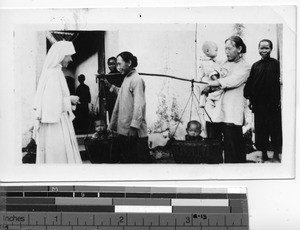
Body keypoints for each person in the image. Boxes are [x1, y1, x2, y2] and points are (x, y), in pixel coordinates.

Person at [203, 36, 251, 163]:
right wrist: (210, 81)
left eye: (229, 48)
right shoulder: (223, 63)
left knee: (233, 145)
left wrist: (212, 84)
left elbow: (232, 81)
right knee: (214, 143)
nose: (226, 52)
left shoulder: (245, 67)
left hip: (232, 109)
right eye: (225, 49)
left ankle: (235, 171)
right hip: (217, 110)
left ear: (239, 48)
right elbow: (213, 74)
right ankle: (215, 171)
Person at [33, 41, 82, 164]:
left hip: (56, 119)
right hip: (56, 122)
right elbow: (51, 102)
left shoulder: (54, 71)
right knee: (58, 154)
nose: (70, 59)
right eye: (68, 55)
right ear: (60, 55)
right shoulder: (54, 73)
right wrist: (70, 99)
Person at [108, 51, 152, 163]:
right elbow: (123, 95)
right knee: (128, 161)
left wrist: (134, 127)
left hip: (134, 132)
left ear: (129, 63)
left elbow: (139, 105)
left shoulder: (137, 80)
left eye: (119, 64)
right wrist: (111, 87)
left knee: (138, 163)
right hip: (124, 130)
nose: (117, 67)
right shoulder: (127, 78)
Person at [244, 39, 282, 162]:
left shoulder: (276, 64)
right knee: (261, 130)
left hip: (273, 103)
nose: (264, 50)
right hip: (259, 104)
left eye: (266, 48)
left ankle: (276, 153)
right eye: (261, 48)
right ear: (258, 49)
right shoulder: (255, 66)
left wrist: (279, 100)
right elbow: (250, 83)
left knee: (275, 129)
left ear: (271, 49)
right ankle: (264, 154)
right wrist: (250, 98)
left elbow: (278, 84)